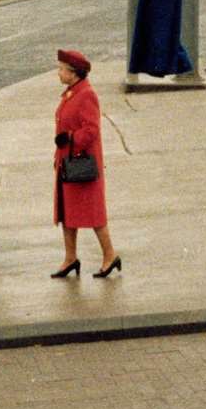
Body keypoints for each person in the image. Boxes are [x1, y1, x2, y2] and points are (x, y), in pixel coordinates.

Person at [50, 49, 120, 279]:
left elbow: (91, 130)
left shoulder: (86, 94)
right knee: (67, 213)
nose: (58, 72)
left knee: (93, 214)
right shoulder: (72, 92)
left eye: (62, 69)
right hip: (68, 163)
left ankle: (110, 255)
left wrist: (70, 139)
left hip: (82, 165)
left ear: (74, 73)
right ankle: (70, 258)